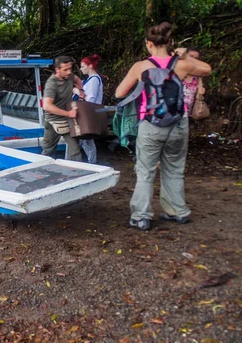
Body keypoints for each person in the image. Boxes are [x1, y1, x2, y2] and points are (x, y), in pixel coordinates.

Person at [115, 22, 212, 231]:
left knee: (146, 172)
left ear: (149, 44)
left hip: (151, 125)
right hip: (178, 124)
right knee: (174, 169)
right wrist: (184, 56)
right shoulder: (182, 65)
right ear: (171, 43)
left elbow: (119, 93)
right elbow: (207, 69)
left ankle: (141, 216)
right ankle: (178, 211)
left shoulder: (141, 67)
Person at [42, 56, 84, 161]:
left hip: (67, 120)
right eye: (65, 69)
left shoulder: (69, 76)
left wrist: (81, 91)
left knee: (75, 150)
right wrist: (68, 113)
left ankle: (74, 173)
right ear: (57, 70)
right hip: (53, 121)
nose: (69, 72)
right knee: (48, 151)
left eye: (70, 68)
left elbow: (77, 79)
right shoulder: (51, 84)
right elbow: (47, 106)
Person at [79, 54, 104, 164]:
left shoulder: (94, 80)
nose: (81, 69)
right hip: (87, 112)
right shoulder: (90, 80)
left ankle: (92, 163)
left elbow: (91, 98)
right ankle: (91, 162)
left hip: (89, 113)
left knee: (87, 139)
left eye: (83, 66)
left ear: (90, 66)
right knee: (84, 139)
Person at [182, 48, 206, 115]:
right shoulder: (178, 72)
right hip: (175, 111)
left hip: (189, 112)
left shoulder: (198, 76)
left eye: (196, 58)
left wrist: (201, 92)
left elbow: (199, 94)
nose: (193, 60)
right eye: (191, 56)